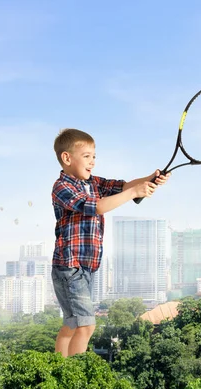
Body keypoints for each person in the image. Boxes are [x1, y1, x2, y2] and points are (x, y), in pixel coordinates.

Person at [51, 128, 170, 357]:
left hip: (86, 266)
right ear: (67, 158)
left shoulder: (94, 183)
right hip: (70, 266)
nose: (93, 162)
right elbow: (98, 207)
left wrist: (149, 179)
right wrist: (136, 190)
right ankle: (75, 374)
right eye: (87, 156)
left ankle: (59, 366)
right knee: (86, 325)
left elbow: (123, 187)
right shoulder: (62, 187)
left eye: (94, 156)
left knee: (72, 323)